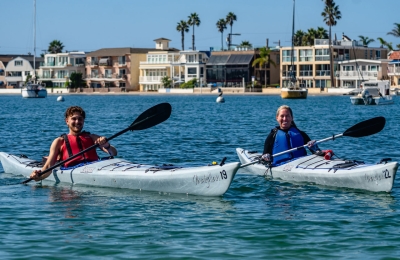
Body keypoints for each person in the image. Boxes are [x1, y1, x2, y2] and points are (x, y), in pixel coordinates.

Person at [30, 106, 117, 181]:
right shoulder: (59, 141)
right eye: (74, 119)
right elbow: (49, 166)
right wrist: (39, 176)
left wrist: (107, 146)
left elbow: (113, 153)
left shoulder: (92, 137)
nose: (77, 122)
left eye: (80, 119)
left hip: (95, 167)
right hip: (73, 169)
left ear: (83, 121)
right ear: (67, 121)